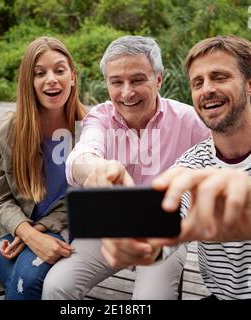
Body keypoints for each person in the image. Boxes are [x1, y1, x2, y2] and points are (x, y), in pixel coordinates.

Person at [101, 35, 251, 299]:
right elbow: (169, 213)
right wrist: (144, 242)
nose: (207, 89)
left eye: (219, 77)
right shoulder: (191, 164)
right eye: (197, 82)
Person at [42, 35, 210, 300]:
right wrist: (96, 168)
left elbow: (224, 161)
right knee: (56, 287)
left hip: (163, 232)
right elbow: (82, 155)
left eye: (138, 80)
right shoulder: (100, 117)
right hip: (110, 226)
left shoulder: (189, 121)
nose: (127, 92)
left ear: (159, 79)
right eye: (116, 82)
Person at [0, 37, 87, 300]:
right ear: (29, 81)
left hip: (63, 222)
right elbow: (1, 199)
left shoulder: (89, 129)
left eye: (60, 70)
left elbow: (80, 196)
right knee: (28, 283)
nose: (51, 79)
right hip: (7, 228)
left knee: (29, 282)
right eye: (40, 73)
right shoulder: (2, 131)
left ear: (72, 76)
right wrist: (27, 233)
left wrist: (40, 232)